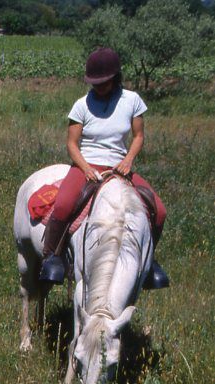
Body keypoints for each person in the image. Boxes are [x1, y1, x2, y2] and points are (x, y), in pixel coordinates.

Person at [40, 47, 168, 289]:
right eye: (94, 83)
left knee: (159, 211)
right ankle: (52, 257)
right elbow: (71, 143)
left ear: (115, 78)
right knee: (65, 203)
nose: (98, 87)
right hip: (87, 164)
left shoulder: (132, 101)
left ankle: (149, 262)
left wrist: (128, 159)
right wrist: (85, 167)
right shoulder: (81, 105)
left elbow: (138, 136)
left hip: (120, 165)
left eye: (104, 83)